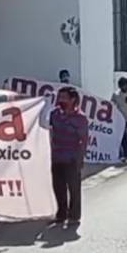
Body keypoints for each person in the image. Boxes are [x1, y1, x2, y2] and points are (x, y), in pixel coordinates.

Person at [50, 86, 89, 225]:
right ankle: (61, 214)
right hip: (56, 157)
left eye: (64, 98)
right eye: (59, 97)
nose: (60, 100)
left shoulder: (80, 118)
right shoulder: (54, 114)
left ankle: (74, 216)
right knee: (58, 188)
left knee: (74, 189)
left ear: (73, 100)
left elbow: (83, 140)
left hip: (72, 158)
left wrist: (80, 158)